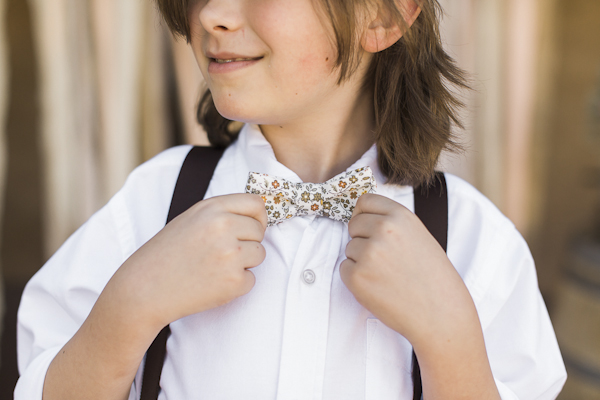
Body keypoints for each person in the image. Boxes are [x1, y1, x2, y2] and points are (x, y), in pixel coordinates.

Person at [15, 0, 567, 399]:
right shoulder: (149, 207)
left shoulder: (477, 245)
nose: (212, 14)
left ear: (382, 14)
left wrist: (451, 342)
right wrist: (130, 307)